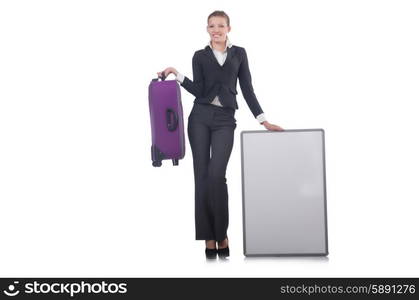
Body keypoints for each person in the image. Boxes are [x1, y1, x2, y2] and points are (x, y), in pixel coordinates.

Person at [158, 10, 284, 259]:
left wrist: (263, 120)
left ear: (229, 28)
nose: (215, 30)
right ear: (207, 29)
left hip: (225, 120)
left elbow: (247, 88)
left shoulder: (239, 53)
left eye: (220, 26)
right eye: (211, 26)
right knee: (202, 176)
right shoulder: (199, 56)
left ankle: (222, 234)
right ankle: (208, 237)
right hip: (200, 119)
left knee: (217, 176)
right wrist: (177, 73)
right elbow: (199, 89)